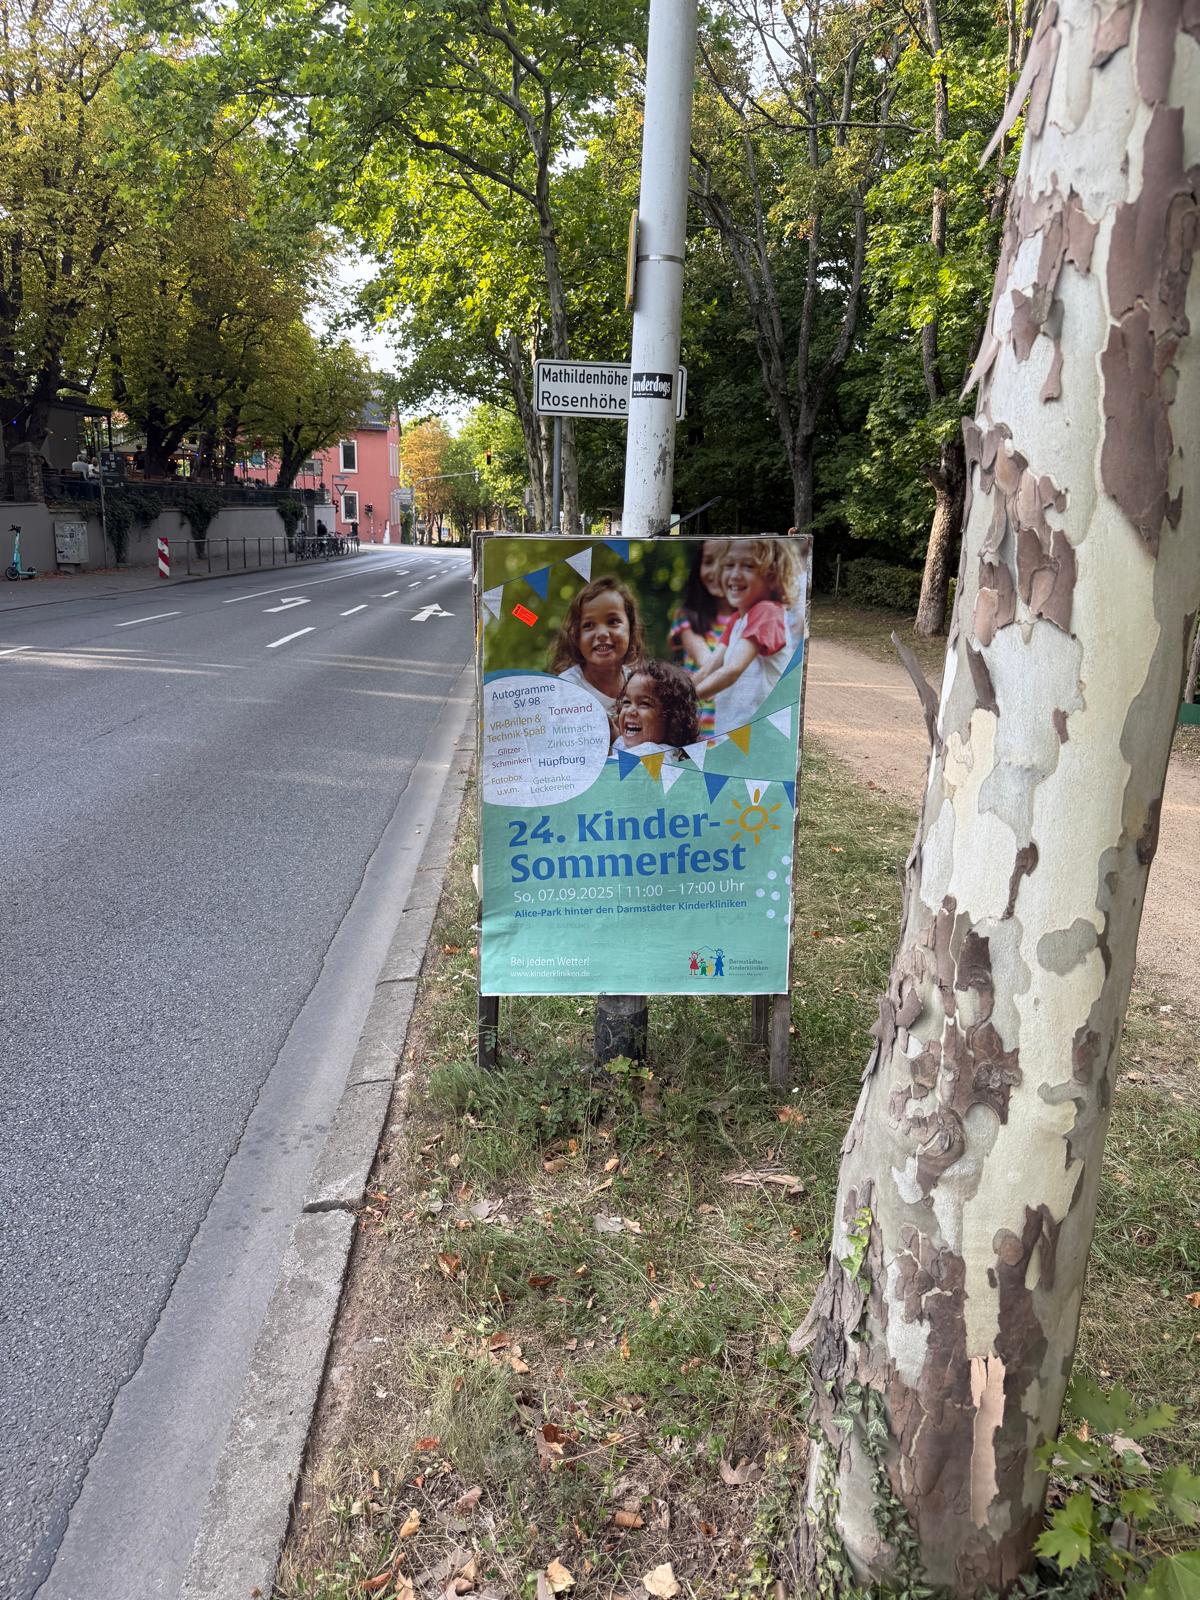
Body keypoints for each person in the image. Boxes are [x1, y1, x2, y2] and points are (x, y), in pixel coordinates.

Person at [694, 537, 802, 735]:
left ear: (772, 576)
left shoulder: (766, 612)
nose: (734, 574)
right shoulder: (737, 619)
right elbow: (707, 670)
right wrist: (674, 692)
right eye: (728, 565)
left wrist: (686, 698)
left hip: (760, 733)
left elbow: (732, 670)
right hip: (733, 731)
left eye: (748, 566)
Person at [550, 578, 644, 715]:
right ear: (577, 635)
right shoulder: (567, 688)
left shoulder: (637, 682)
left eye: (613, 621)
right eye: (588, 625)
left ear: (631, 629)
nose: (602, 634)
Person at [668, 538, 731, 735]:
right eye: (709, 561)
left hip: (737, 728)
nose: (715, 571)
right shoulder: (688, 616)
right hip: (696, 729)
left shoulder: (752, 619)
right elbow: (709, 664)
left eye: (726, 563)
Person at [612, 660, 700, 757]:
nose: (629, 711)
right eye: (626, 702)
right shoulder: (625, 744)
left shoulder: (655, 753)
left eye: (644, 704)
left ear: (672, 717)